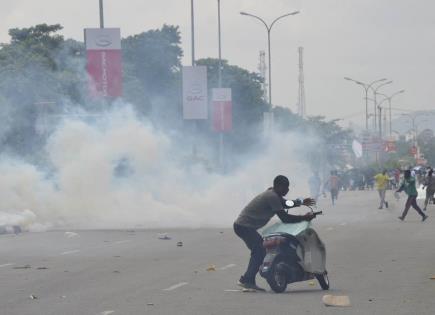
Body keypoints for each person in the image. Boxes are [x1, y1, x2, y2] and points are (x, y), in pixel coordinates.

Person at [233, 175, 315, 291]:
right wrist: (304, 218)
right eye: (286, 187)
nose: (287, 190)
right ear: (279, 186)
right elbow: (285, 218)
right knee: (259, 251)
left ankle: (248, 279)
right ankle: (247, 280)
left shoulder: (274, 194)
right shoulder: (271, 196)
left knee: (259, 251)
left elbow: (286, 203)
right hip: (244, 226)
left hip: (245, 226)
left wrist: (300, 202)